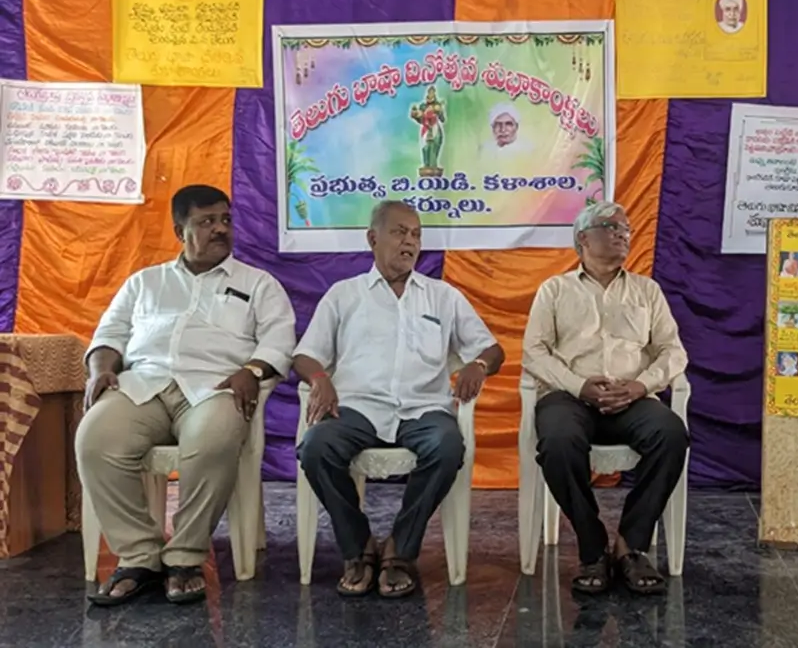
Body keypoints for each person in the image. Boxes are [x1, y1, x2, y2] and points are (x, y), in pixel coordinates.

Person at [77, 185, 296, 607]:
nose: (220, 229)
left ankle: (184, 558)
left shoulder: (259, 284)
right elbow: (109, 335)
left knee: (211, 440)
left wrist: (252, 370)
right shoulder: (145, 282)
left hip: (216, 388)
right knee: (95, 439)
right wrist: (101, 370)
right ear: (181, 230)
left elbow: (279, 340)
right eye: (207, 222)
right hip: (143, 385)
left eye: (226, 220)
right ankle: (139, 557)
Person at [294, 200, 504, 598]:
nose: (410, 242)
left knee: (447, 446)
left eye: (416, 234)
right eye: (399, 232)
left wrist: (477, 364)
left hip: (422, 409)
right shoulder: (344, 295)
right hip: (357, 407)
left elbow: (492, 350)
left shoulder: (443, 297)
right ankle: (358, 548)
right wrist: (320, 377)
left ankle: (400, 550)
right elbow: (306, 354)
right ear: (373, 239)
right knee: (316, 447)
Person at [523, 201, 689, 596]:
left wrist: (639, 386)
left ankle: (630, 545)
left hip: (630, 397)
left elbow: (673, 351)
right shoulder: (555, 289)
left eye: (626, 229)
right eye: (611, 226)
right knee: (559, 442)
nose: (622, 234)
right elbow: (534, 351)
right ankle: (592, 544)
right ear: (583, 238)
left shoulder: (647, 291)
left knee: (671, 434)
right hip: (570, 396)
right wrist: (579, 386)